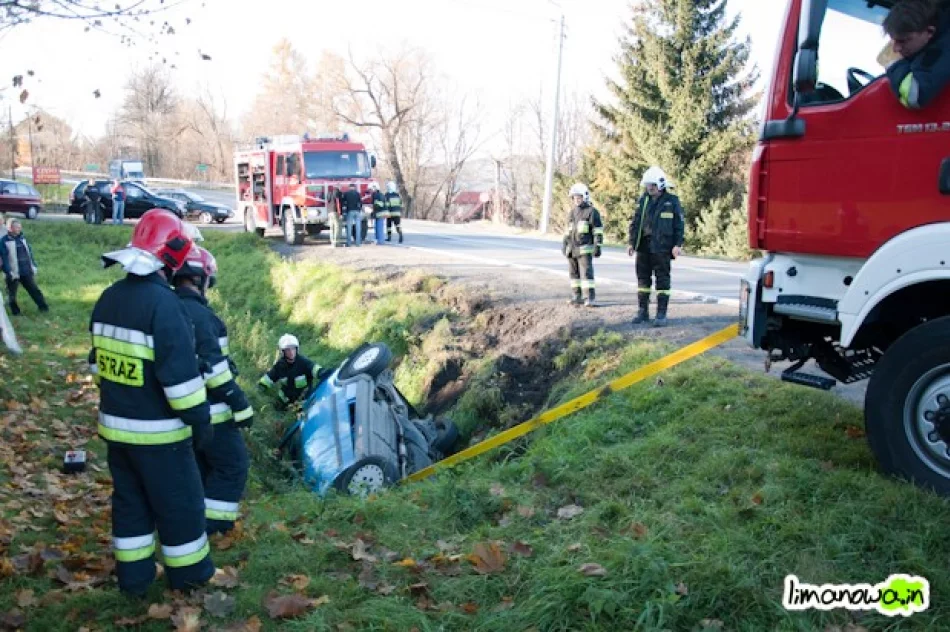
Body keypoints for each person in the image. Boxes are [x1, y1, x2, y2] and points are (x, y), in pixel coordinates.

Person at [89, 209, 214, 597]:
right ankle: (190, 581)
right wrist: (201, 424)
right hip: (161, 439)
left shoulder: (108, 299)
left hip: (117, 431)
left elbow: (98, 365)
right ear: (174, 255)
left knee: (130, 506)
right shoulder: (167, 307)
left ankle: (135, 582)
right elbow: (182, 386)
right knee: (180, 509)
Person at [172, 246, 253, 536]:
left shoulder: (166, 308)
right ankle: (215, 528)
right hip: (214, 411)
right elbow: (215, 370)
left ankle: (199, 523)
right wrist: (240, 403)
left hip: (181, 411)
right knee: (233, 466)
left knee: (202, 468)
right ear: (200, 279)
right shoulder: (204, 317)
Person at [627, 166, 684, 327]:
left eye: (652, 185)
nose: (649, 188)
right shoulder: (643, 200)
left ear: (660, 184)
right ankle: (642, 311)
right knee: (643, 280)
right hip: (644, 246)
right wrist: (632, 243)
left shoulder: (672, 201)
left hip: (663, 248)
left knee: (662, 281)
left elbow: (679, 225)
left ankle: (661, 313)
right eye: (647, 185)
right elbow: (635, 223)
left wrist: (677, 244)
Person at [884, 0, 950, 109]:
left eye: (903, 41)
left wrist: (895, 65)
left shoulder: (942, 48)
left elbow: (914, 96)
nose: (895, 49)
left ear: (930, 32)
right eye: (893, 41)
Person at [258, 334, 329, 409]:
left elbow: (315, 369)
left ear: (297, 349)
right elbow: (269, 378)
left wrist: (322, 372)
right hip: (284, 401)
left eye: (293, 349)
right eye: (288, 350)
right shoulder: (280, 366)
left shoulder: (304, 362)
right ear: (283, 352)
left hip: (304, 402)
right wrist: (260, 387)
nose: (291, 352)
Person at [563, 183, 604, 307]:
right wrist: (564, 244)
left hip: (585, 250)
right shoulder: (572, 213)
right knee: (573, 275)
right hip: (572, 250)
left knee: (586, 274)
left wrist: (598, 246)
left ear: (585, 196)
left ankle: (589, 298)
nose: (576, 199)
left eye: (579, 197)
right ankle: (576, 296)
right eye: (574, 197)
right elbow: (568, 231)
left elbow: (597, 231)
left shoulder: (591, 212)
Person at [1, 219, 49, 316]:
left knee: (34, 290)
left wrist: (33, 265)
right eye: (17, 227)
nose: (19, 229)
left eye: (19, 227)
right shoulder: (3, 241)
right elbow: (4, 257)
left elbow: (29, 253)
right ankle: (16, 312)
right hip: (13, 272)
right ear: (10, 228)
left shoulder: (23, 238)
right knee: (12, 294)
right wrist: (8, 271)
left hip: (25, 270)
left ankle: (43, 307)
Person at [341, 183, 363, 247]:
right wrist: (359, 209)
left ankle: (349, 243)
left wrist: (343, 211)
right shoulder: (357, 193)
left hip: (350, 211)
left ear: (349, 187)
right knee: (358, 227)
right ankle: (358, 243)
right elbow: (360, 202)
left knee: (349, 227)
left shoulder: (346, 193)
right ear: (354, 187)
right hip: (357, 211)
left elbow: (343, 202)